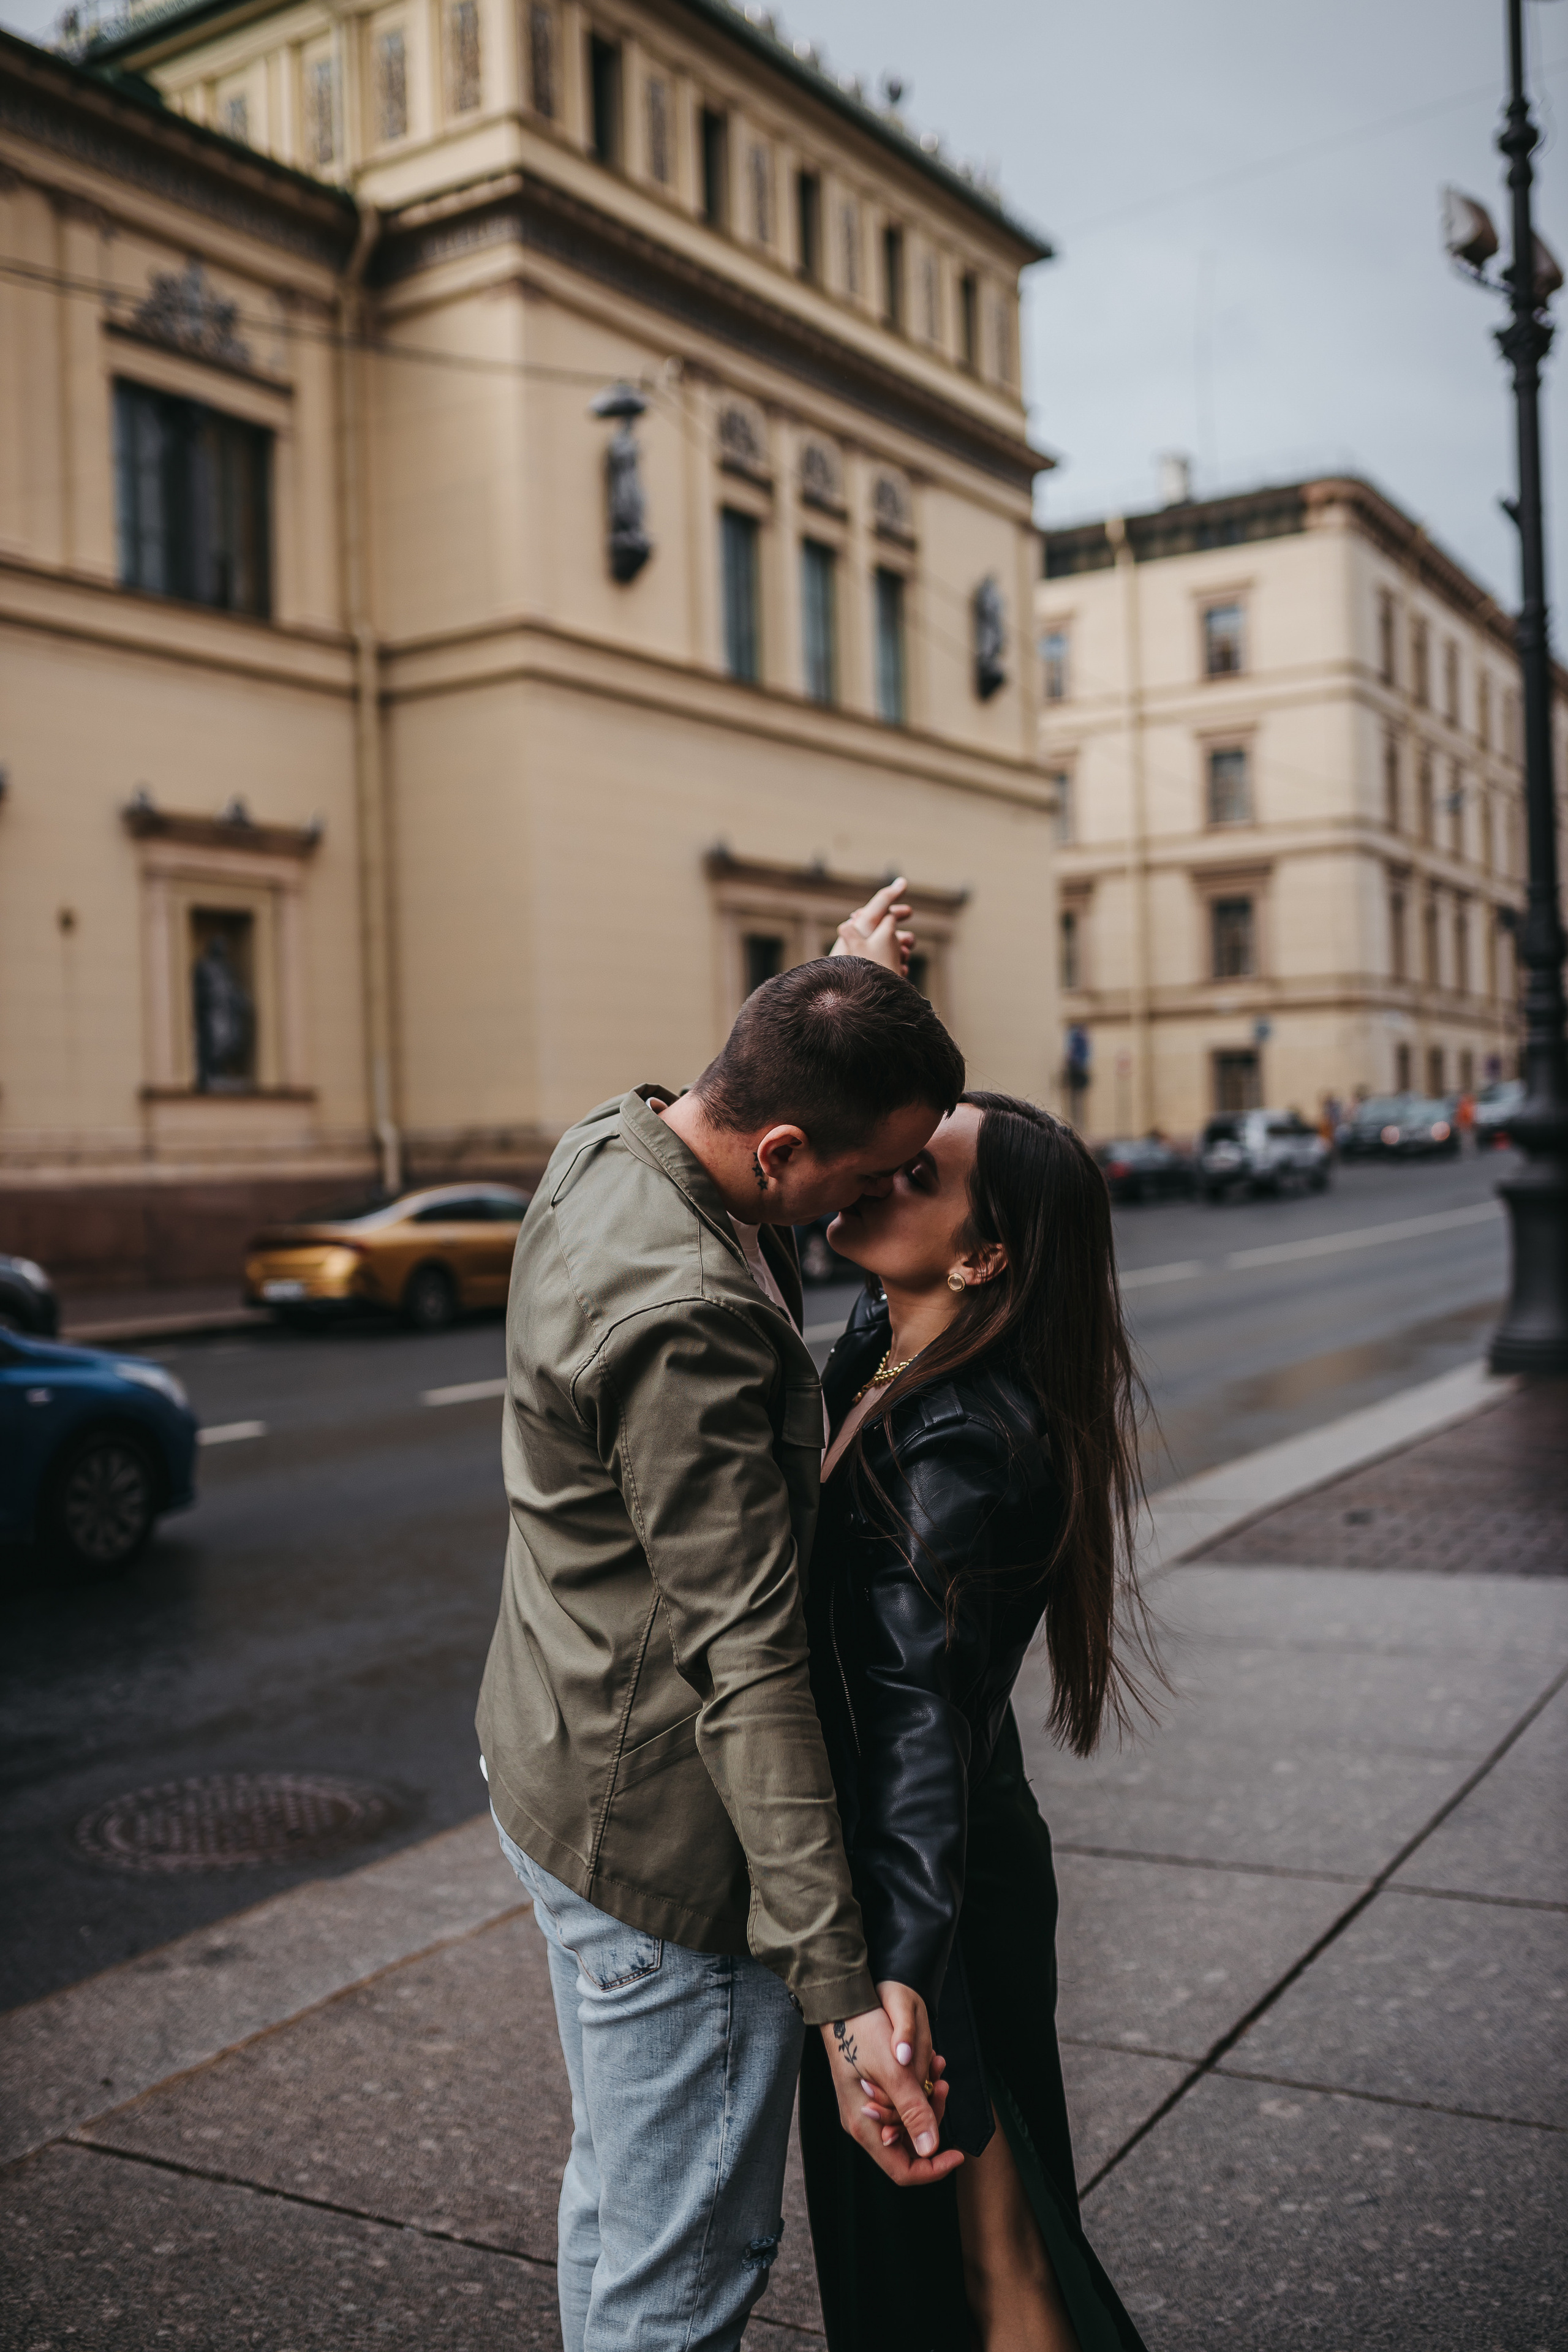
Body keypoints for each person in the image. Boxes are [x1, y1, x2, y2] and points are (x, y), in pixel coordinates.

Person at [476, 884, 968, 2352]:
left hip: (553, 1762)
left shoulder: (617, 1141)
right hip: (661, 1845)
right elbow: (746, 1670)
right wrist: (838, 1994)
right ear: (778, 1150)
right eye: (854, 1179)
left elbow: (780, 1072)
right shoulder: (685, 1322)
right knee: (685, 2268)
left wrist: (845, 981)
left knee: (626, 2212)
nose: (865, 1208)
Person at [798, 1090, 1156, 2352]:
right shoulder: (895, 1341)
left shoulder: (952, 1440)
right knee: (980, 2236)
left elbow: (905, 1712)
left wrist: (894, 1969)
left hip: (922, 1879)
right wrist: (870, 990)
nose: (875, 1174)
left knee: (988, 2250)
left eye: (914, 1175)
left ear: (981, 1253)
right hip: (942, 1859)